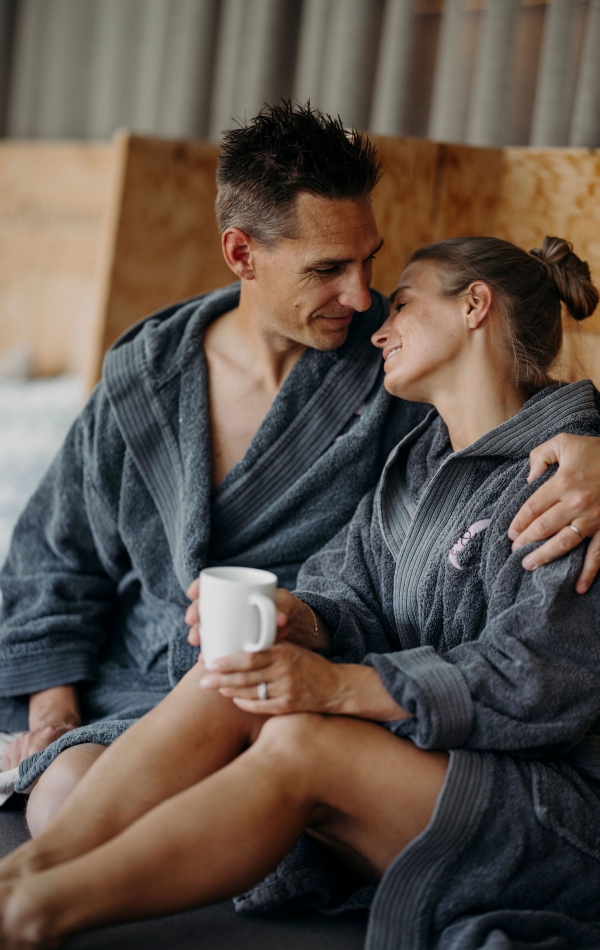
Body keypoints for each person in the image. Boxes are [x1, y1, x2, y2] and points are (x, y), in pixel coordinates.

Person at [2, 103, 600, 825]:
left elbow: (507, 422)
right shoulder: (146, 378)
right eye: (327, 269)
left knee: (67, 802)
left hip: (284, 682)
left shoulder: (398, 375)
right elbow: (54, 557)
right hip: (127, 676)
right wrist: (51, 712)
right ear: (241, 254)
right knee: (63, 786)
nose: (361, 297)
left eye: (368, 261)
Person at [1, 235, 600, 950]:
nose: (378, 325)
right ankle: (24, 877)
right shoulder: (416, 464)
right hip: (426, 759)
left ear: (475, 306)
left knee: (298, 740)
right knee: (238, 670)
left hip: (546, 807)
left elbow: (539, 679)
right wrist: (303, 622)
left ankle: (35, 916)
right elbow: (347, 593)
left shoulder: (568, 488)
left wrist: (336, 685)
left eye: (402, 304)